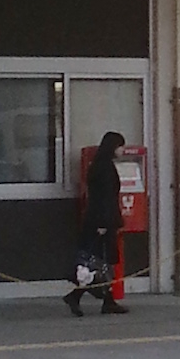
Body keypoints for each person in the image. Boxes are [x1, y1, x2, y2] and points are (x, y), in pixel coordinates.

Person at [63, 132, 129, 316]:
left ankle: (107, 301)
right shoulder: (104, 168)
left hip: (100, 220)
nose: (122, 150)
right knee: (97, 263)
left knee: (102, 263)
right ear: (113, 147)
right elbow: (104, 198)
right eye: (120, 146)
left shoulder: (99, 165)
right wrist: (103, 223)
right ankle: (76, 296)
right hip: (101, 222)